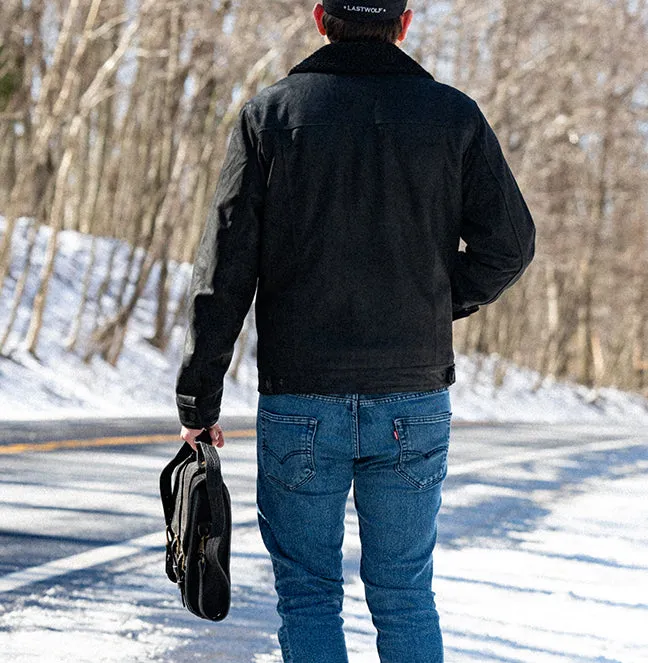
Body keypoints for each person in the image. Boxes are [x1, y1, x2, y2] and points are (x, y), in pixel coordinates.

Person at [176, 1, 535, 661]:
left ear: (320, 18)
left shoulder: (271, 114)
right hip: (411, 397)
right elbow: (508, 245)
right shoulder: (452, 115)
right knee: (403, 593)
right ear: (402, 25)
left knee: (308, 593)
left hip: (299, 397)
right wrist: (428, 302)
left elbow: (224, 267)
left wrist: (198, 398)